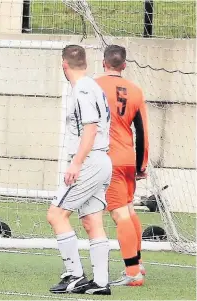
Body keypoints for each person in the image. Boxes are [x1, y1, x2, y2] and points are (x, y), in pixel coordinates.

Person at [46, 45, 112, 295]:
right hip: (101, 159)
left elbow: (91, 128)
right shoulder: (93, 85)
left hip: (89, 161)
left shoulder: (83, 89)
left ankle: (75, 276)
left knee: (56, 215)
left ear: (64, 65)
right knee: (91, 220)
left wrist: (77, 162)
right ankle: (101, 282)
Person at [96, 45, 149, 286]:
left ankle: (132, 274)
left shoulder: (94, 86)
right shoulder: (136, 91)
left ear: (103, 62)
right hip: (128, 158)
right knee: (128, 209)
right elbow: (143, 132)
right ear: (124, 65)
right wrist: (141, 165)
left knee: (119, 214)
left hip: (108, 158)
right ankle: (137, 264)